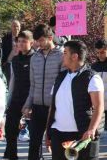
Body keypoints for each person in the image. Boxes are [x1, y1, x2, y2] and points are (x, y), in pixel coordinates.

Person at [46, 40, 104, 160]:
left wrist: (91, 129)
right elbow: (53, 106)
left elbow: (99, 107)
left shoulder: (92, 77)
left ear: (75, 56)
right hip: (58, 134)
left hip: (82, 135)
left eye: (65, 53)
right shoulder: (60, 77)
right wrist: (48, 132)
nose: (63, 55)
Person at [23, 24, 64, 160]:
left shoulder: (62, 55)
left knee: (56, 144)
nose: (38, 44)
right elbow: (32, 84)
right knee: (34, 143)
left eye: (41, 40)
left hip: (55, 107)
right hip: (37, 106)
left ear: (50, 38)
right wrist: (28, 104)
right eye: (37, 41)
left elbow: (64, 85)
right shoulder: (34, 58)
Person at [4, 30, 34, 160]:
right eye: (19, 41)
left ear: (31, 43)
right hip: (16, 99)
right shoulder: (15, 60)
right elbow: (12, 82)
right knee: (10, 130)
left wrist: (30, 103)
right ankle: (11, 156)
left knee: (34, 135)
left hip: (32, 100)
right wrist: (8, 101)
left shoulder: (36, 58)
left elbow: (36, 82)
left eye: (24, 41)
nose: (20, 44)